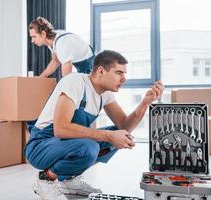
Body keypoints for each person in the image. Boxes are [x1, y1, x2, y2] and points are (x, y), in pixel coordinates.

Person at [24, 50, 164, 200]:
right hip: (40, 146)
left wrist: (145, 103)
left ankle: (69, 181)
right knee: (89, 147)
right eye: (119, 73)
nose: (124, 79)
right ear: (101, 71)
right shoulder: (75, 82)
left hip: (64, 144)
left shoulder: (105, 94)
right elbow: (60, 129)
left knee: (121, 133)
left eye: (124, 74)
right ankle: (45, 180)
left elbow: (124, 126)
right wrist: (109, 136)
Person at [29, 16, 95, 77]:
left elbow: (67, 75)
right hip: (78, 58)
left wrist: (64, 88)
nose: (32, 41)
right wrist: (41, 77)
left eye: (34, 37)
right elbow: (55, 61)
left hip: (86, 59)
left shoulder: (61, 43)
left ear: (43, 34)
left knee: (88, 86)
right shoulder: (51, 41)